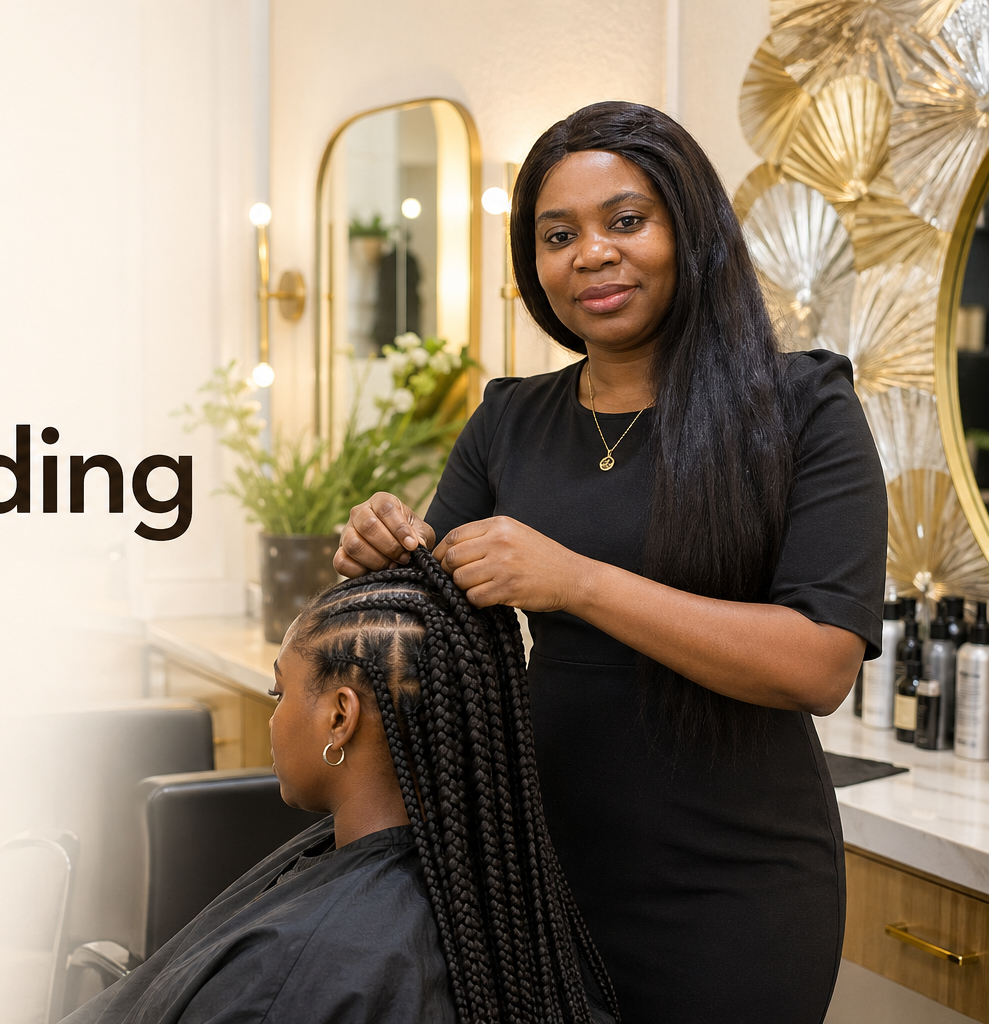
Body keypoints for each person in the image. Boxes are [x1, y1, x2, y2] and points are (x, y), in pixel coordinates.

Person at [336, 100, 888, 1023]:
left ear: (690, 228)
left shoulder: (801, 407)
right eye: (559, 235)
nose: (591, 253)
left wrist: (576, 583)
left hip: (732, 889)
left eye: (625, 221)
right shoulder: (510, 419)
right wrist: (377, 557)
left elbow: (820, 662)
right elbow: (428, 617)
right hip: (540, 868)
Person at [63, 549, 618, 1024]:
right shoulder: (510, 905)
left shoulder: (294, 967)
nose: (273, 719)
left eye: (280, 694)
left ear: (339, 718)